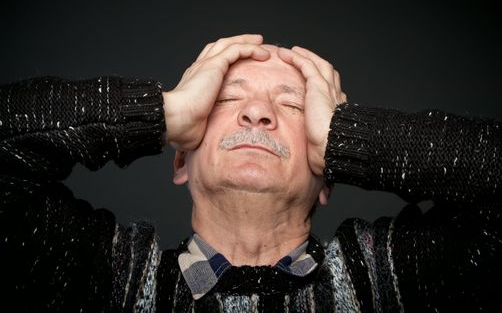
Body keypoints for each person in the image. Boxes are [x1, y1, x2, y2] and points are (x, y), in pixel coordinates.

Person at [0, 34, 500, 312]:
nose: (257, 114)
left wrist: (351, 137)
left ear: (330, 174)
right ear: (181, 159)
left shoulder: (395, 283)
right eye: (226, 99)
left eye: (292, 105)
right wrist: (163, 112)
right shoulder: (105, 280)